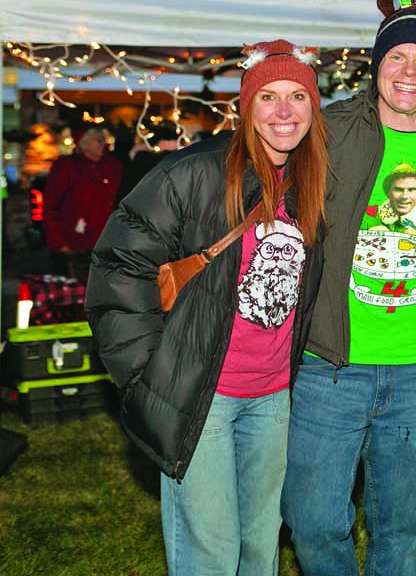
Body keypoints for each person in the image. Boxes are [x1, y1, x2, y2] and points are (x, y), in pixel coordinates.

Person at [85, 39, 328, 575]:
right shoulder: (192, 174)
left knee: (260, 547)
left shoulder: (311, 184)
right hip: (201, 393)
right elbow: (118, 266)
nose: (284, 112)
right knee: (210, 553)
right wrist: (147, 372)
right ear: (245, 108)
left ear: (314, 107)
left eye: (297, 97)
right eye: (268, 97)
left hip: (271, 398)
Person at [281, 0, 416, 576]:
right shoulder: (328, 132)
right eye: (398, 56)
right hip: (328, 365)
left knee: (402, 532)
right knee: (313, 523)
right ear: (376, 65)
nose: (410, 71)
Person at [43, 126, 123, 279]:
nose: (103, 144)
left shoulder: (113, 165)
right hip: (77, 246)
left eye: (103, 140)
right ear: (83, 143)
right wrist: (59, 243)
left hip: (110, 244)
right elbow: (51, 206)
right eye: (98, 140)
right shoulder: (66, 167)